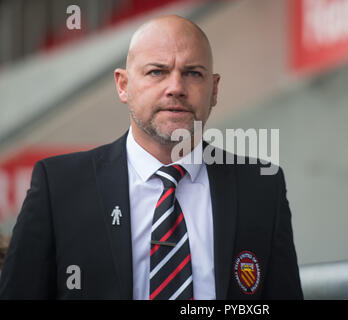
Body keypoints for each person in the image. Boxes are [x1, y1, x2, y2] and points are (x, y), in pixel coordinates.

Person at [0, 15, 302, 300]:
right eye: (157, 72)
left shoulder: (261, 186)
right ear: (123, 85)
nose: (176, 88)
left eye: (193, 73)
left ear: (214, 89)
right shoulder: (59, 186)